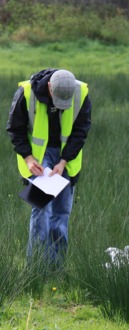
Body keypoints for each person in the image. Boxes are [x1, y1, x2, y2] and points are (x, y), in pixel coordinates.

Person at [7, 68, 91, 270]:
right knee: (40, 209)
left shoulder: (81, 93)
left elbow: (80, 132)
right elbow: (15, 129)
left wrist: (63, 162)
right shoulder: (26, 92)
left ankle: (56, 267)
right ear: (50, 87)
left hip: (66, 159)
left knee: (62, 212)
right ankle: (35, 266)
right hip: (36, 158)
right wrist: (27, 157)